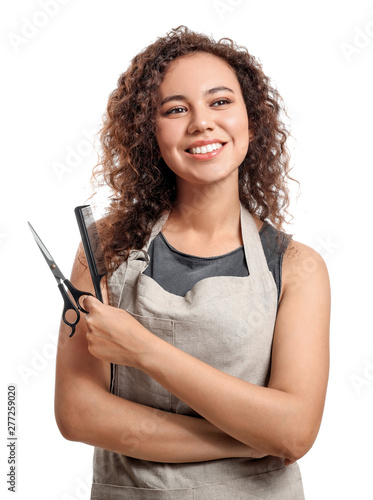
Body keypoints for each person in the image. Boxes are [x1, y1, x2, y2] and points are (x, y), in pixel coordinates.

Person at [54, 26, 330, 499]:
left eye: (220, 101)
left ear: (252, 120)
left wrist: (143, 349)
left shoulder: (298, 267)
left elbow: (295, 431)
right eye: (175, 109)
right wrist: (246, 441)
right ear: (148, 130)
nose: (201, 122)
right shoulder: (106, 247)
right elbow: (79, 413)